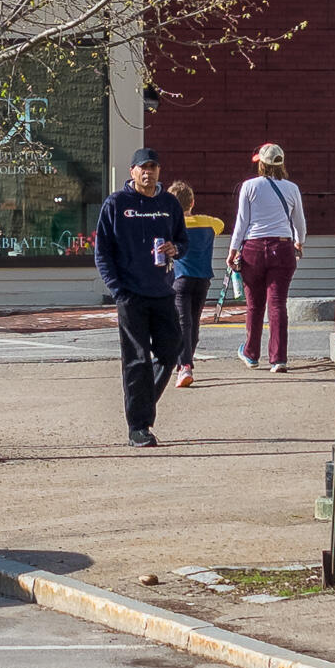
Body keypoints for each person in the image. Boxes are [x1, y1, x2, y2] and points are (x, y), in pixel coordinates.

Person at [91, 148, 190, 446]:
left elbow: (182, 241)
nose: (148, 172)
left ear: (159, 171)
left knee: (171, 351)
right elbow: (103, 252)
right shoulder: (116, 204)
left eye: (153, 167)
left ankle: (143, 403)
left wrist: (175, 249)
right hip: (130, 294)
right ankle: (138, 427)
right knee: (136, 360)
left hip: (162, 291)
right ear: (132, 172)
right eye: (142, 168)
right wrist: (117, 290)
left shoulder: (169, 204)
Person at [232, 142, 308, 373]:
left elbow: (242, 222)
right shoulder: (292, 188)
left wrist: (233, 249)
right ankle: (278, 358)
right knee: (277, 304)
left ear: (261, 164)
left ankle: (251, 354)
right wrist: (299, 242)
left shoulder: (249, 186)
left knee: (254, 305)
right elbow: (300, 222)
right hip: (282, 246)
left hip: (253, 248)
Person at [166, 180, 226, 390]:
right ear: (192, 202)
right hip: (203, 280)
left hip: (180, 279)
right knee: (194, 321)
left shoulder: (172, 227)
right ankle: (186, 362)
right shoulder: (208, 223)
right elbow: (221, 224)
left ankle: (184, 366)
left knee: (182, 322)